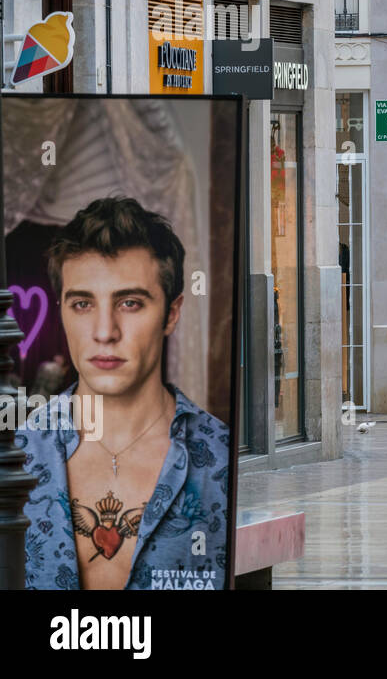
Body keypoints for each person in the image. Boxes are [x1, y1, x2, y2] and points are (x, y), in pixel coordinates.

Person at [18, 197, 229, 590]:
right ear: (61, 311)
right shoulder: (14, 455)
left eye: (130, 303)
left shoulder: (222, 459)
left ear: (171, 313)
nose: (104, 331)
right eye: (82, 304)